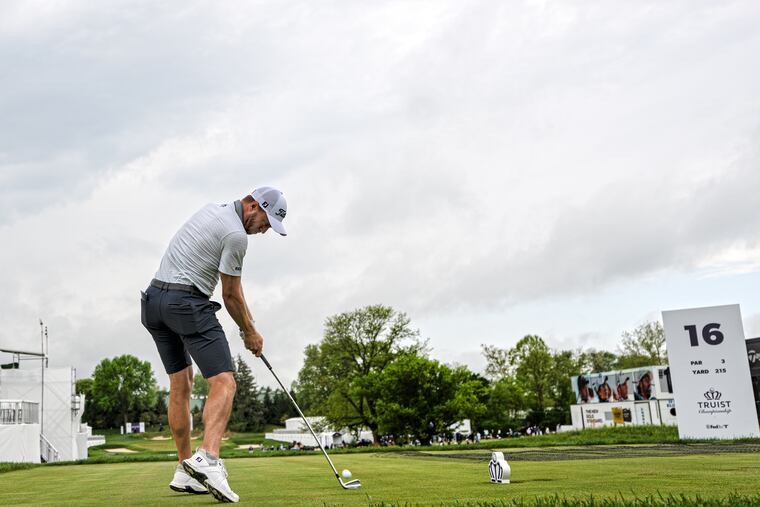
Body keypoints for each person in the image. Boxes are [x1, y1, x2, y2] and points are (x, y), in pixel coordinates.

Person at [140, 186, 287, 503]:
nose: (264, 231)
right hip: (185, 303)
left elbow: (235, 288)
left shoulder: (211, 210)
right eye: (266, 223)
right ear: (253, 206)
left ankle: (184, 468)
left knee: (181, 383)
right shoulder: (237, 236)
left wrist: (250, 325)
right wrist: (249, 333)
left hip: (153, 303)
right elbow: (229, 295)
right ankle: (208, 457)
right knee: (224, 382)